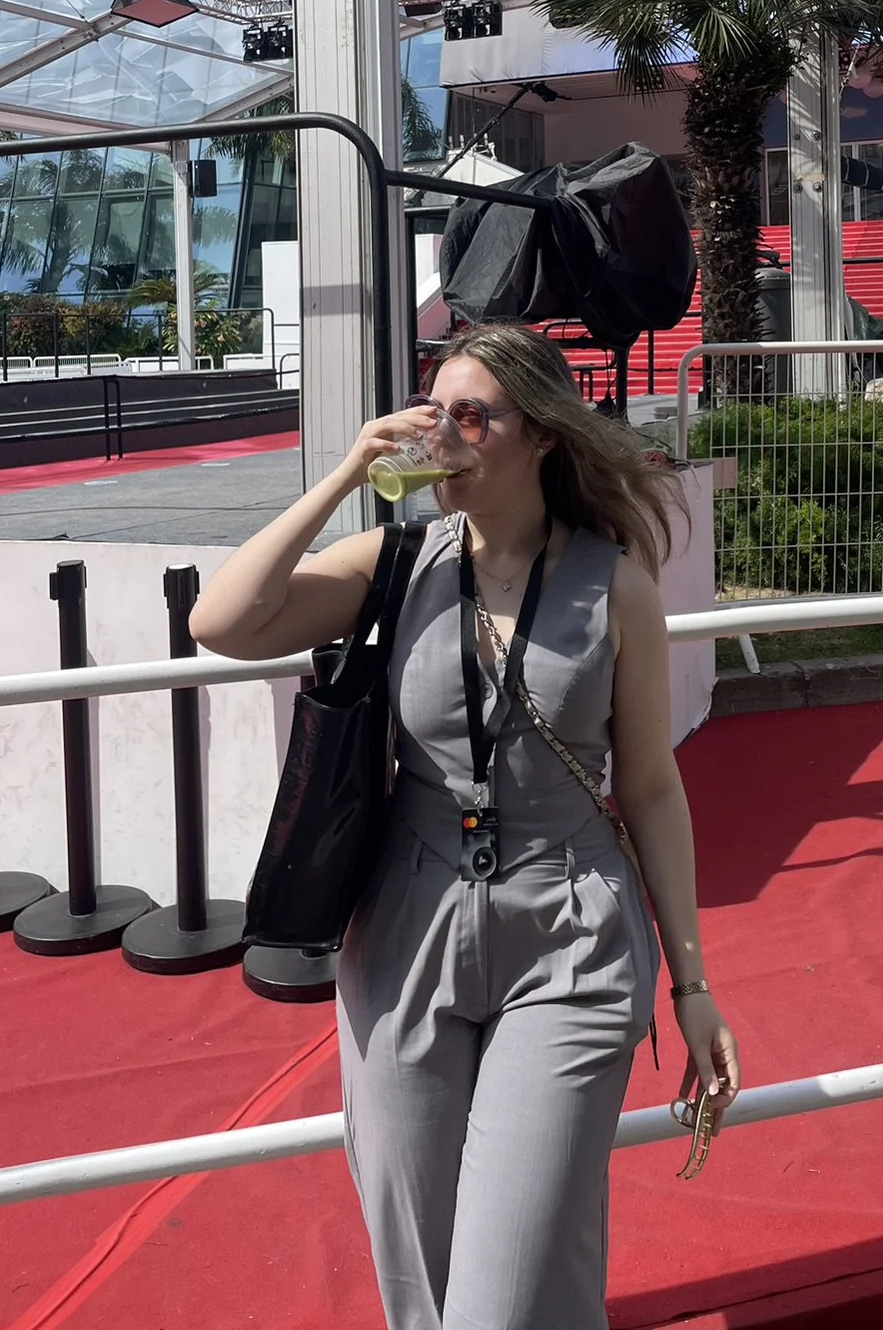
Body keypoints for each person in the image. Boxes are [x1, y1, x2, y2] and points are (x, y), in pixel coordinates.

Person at [191, 323, 740, 1330]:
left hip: (568, 936)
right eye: (431, 409)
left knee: (503, 1297)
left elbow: (653, 787)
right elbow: (221, 623)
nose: (441, 434)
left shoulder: (612, 584)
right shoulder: (394, 564)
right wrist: (352, 465)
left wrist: (692, 982)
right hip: (405, 931)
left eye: (470, 414)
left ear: (538, 435)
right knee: (423, 1287)